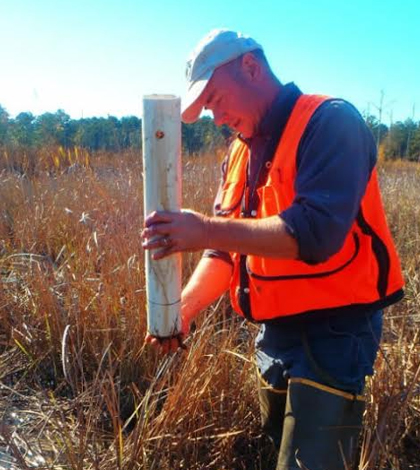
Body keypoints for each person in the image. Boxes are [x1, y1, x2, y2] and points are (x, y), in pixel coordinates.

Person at [141, 29, 404, 470]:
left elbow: (315, 233)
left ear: (251, 67)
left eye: (216, 98)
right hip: (275, 336)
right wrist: (183, 308)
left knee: (307, 463)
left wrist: (203, 229)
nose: (217, 116)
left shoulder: (331, 122)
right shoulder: (239, 155)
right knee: (278, 449)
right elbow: (224, 254)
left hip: (335, 332)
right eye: (207, 108)